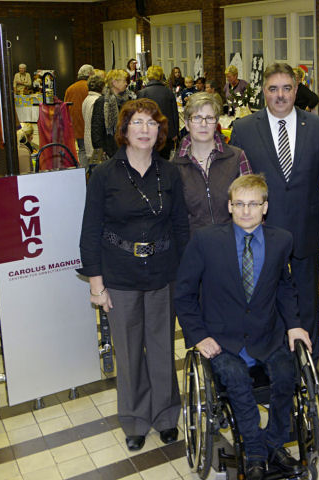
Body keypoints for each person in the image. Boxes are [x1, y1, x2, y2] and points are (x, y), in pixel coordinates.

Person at [175, 174, 309, 480]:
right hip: (222, 338)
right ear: (229, 206)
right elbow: (183, 293)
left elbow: (285, 287)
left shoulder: (281, 240)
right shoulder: (206, 241)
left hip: (267, 333)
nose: (246, 210)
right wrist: (198, 336)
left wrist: (294, 326)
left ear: (265, 207)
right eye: (239, 204)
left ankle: (274, 444)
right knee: (237, 381)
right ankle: (255, 452)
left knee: (287, 374)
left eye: (253, 204)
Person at [78, 98, 189, 451]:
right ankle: (135, 420)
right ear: (124, 130)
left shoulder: (170, 173)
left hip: (162, 273)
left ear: (160, 131)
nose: (145, 130)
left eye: (152, 124)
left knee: (160, 348)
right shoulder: (105, 175)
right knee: (127, 352)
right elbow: (90, 231)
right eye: (137, 123)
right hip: (120, 275)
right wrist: (97, 285)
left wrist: (187, 277)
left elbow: (181, 228)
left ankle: (167, 415)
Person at [230, 63, 319, 363]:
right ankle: (274, 361)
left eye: (287, 88)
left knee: (307, 301)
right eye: (273, 89)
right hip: (262, 233)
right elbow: (236, 186)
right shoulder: (244, 129)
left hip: (306, 229)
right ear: (264, 92)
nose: (280, 95)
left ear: (296, 89)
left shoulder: (317, 127)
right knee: (265, 301)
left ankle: (308, 365)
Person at [175, 92, 252, 233]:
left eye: (209, 118)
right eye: (197, 118)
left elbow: (252, 208)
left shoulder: (237, 157)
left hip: (233, 245)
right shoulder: (175, 166)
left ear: (216, 123)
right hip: (193, 248)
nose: (203, 124)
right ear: (186, 124)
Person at [137, 65, 179, 160]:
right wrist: (175, 133)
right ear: (161, 76)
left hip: (147, 133)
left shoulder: (142, 93)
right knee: (164, 162)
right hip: (166, 133)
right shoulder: (169, 92)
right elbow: (174, 114)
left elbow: (138, 116)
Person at [91, 69, 134, 158]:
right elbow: (96, 129)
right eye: (124, 81)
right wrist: (101, 150)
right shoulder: (102, 102)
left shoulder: (128, 99)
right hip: (109, 150)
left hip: (127, 148)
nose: (126, 83)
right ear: (114, 82)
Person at [64, 64, 94, 166]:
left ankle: (84, 174)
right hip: (89, 125)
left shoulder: (70, 89)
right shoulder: (90, 87)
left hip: (76, 125)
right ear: (90, 74)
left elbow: (65, 108)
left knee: (82, 150)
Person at [82, 74, 105, 162]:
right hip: (96, 143)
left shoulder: (86, 99)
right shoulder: (98, 100)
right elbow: (97, 124)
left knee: (93, 167)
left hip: (88, 141)